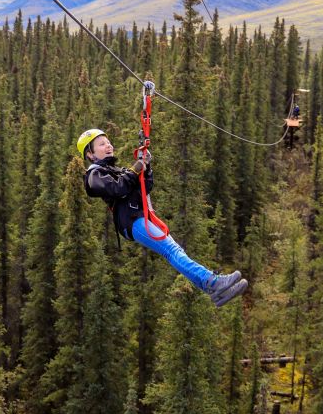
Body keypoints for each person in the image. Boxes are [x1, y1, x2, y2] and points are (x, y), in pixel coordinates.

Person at [77, 128, 248, 307]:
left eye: (108, 142)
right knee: (172, 251)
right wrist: (135, 169)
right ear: (90, 154)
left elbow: (145, 187)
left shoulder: (116, 170)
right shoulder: (93, 176)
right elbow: (118, 188)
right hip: (132, 221)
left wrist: (146, 166)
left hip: (139, 217)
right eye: (102, 144)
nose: (108, 145)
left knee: (176, 251)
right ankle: (214, 282)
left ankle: (214, 292)